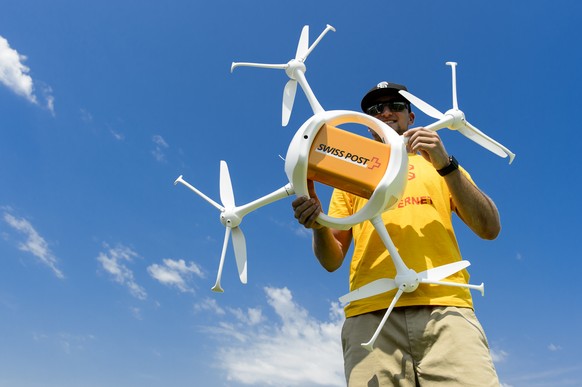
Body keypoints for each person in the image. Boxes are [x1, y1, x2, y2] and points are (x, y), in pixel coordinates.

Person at [292, 81, 501, 386]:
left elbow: (490, 228)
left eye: (396, 106)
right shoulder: (348, 175)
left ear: (411, 117)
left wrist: (447, 164)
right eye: (376, 110)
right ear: (368, 124)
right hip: (371, 314)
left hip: (445, 308)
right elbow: (332, 259)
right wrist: (318, 226)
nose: (386, 112)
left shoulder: (439, 165)